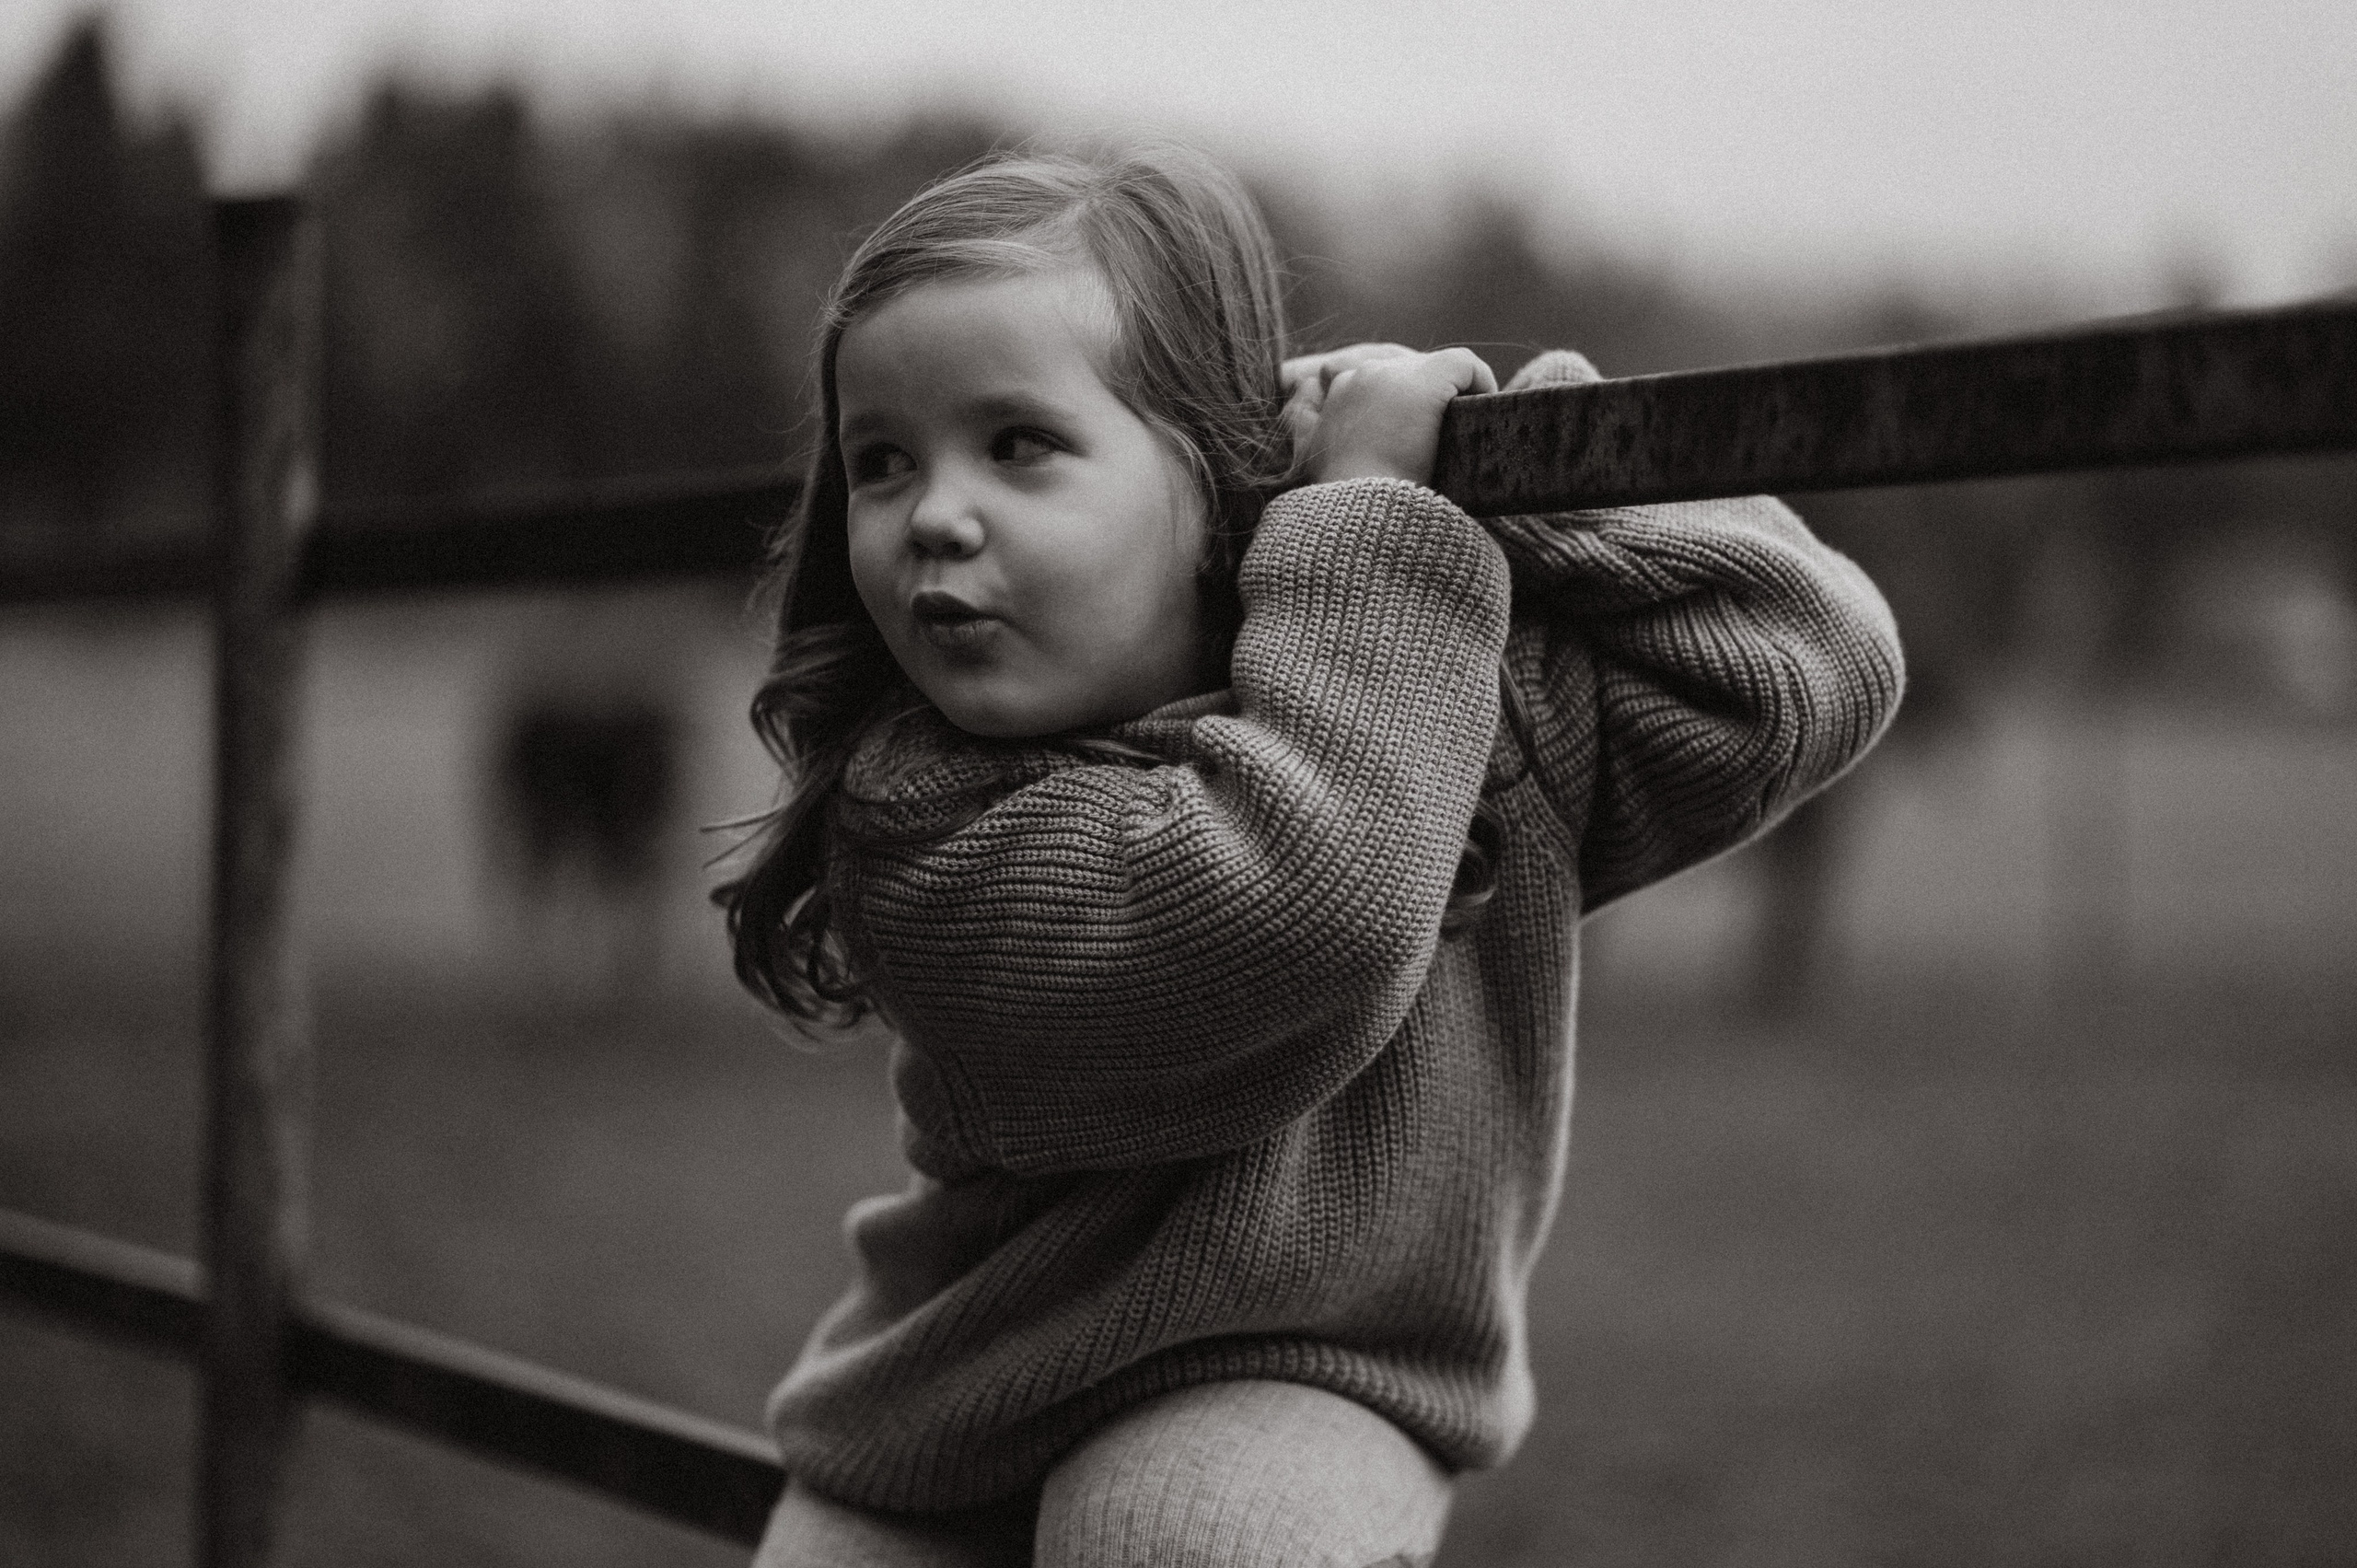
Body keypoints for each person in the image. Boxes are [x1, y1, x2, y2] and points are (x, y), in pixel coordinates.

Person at [716, 146, 1903, 1568]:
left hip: (1317, 1374)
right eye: (881, 461)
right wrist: (1370, 524)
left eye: (1018, 443)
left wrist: (1518, 480)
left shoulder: (1450, 681)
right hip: (964, 1411)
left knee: (1181, 1532)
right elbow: (1298, 902)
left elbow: (1809, 668)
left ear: (1215, 479)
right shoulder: (926, 830)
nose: (936, 515)